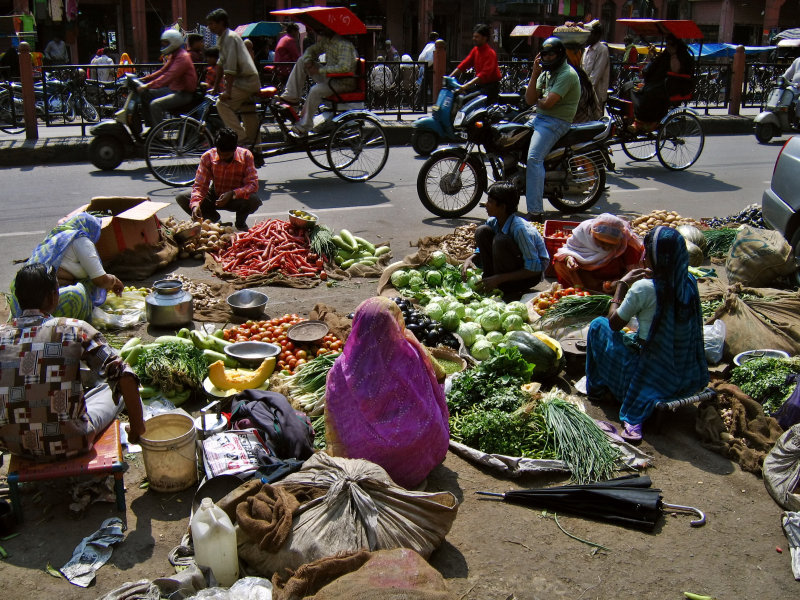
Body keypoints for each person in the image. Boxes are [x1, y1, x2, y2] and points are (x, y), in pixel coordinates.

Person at [0, 264, 146, 461]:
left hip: (15, 445)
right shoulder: (73, 330)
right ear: (54, 297)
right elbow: (124, 375)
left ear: (18, 298)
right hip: (72, 442)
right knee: (111, 390)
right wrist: (137, 428)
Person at [585, 226, 708, 442]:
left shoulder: (644, 288)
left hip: (648, 371)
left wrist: (621, 286)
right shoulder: (688, 282)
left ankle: (597, 390)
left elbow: (614, 323)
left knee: (598, 325)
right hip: (683, 369)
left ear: (652, 256)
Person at [324, 296, 449, 489]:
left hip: (374, 463)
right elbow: (441, 375)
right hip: (422, 445)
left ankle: (382, 475)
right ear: (395, 322)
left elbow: (336, 408)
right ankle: (413, 469)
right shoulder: (413, 351)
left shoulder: (345, 366)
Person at [9, 213, 124, 323]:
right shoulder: (80, 239)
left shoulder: (55, 238)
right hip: (43, 304)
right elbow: (100, 280)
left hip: (19, 305)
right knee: (80, 292)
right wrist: (113, 281)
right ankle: (65, 323)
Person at [523, 36, 580, 222]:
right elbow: (530, 99)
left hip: (556, 121)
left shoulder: (567, 74)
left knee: (534, 158)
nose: (547, 58)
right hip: (539, 117)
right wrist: (534, 72)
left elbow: (547, 103)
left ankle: (536, 211)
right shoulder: (545, 73)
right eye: (544, 55)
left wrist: (537, 102)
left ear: (560, 55)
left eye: (550, 55)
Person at [461, 182, 550, 300]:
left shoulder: (520, 230)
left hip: (529, 275)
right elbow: (482, 246)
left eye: (490, 202)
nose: (486, 205)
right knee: (482, 231)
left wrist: (499, 279)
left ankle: (506, 288)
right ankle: (490, 280)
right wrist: (470, 258)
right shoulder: (493, 221)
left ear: (502, 207)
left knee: (500, 240)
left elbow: (534, 269)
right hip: (509, 268)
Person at [277, 22, 357, 135]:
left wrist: (319, 70)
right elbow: (312, 50)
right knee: (301, 61)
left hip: (343, 82)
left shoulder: (344, 45)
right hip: (331, 78)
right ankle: (291, 97)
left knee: (315, 90)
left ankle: (305, 125)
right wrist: (308, 60)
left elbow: (344, 68)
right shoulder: (328, 42)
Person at [175, 128, 261, 232]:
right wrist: (195, 205)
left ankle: (240, 223)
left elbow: (253, 185)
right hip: (214, 195)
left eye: (227, 155)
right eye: (221, 154)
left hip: (235, 198)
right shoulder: (207, 157)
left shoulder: (246, 156)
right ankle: (214, 221)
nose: (224, 158)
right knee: (182, 197)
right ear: (217, 148)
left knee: (253, 200)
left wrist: (232, 193)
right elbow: (200, 186)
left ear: (234, 150)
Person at [206, 8, 262, 153]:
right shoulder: (222, 38)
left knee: (222, 104)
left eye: (212, 24)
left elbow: (230, 67)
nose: (210, 27)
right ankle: (256, 150)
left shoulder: (230, 38)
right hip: (245, 81)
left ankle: (241, 140)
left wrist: (227, 91)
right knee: (248, 114)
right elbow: (220, 63)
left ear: (221, 23)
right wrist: (215, 86)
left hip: (246, 82)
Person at [552, 213, 644, 293]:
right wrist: (569, 259)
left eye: (611, 244)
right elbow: (567, 251)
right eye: (602, 242)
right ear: (592, 235)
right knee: (560, 263)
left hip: (613, 282)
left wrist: (619, 283)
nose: (606, 247)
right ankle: (578, 291)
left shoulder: (626, 242)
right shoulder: (583, 234)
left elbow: (634, 271)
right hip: (585, 278)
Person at [630, 33, 694, 129]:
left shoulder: (682, 55)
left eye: (670, 44)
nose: (668, 46)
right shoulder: (665, 54)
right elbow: (652, 66)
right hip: (657, 82)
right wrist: (651, 56)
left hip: (674, 84)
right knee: (629, 87)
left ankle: (648, 121)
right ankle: (632, 118)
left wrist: (673, 54)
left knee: (649, 91)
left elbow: (676, 70)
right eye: (667, 44)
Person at [138, 29, 197, 127]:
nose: (164, 46)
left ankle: (158, 135)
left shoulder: (182, 57)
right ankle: (151, 128)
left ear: (173, 42)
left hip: (183, 94)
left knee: (155, 105)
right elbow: (162, 71)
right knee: (145, 95)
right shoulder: (174, 55)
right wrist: (145, 79)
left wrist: (147, 85)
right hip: (175, 90)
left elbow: (168, 76)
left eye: (166, 43)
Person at [449, 23, 502, 100]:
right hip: (479, 86)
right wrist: (450, 77)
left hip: (489, 89)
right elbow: (464, 64)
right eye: (473, 36)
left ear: (484, 38)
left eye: (477, 37)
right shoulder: (475, 50)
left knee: (464, 100)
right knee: (456, 94)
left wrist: (466, 85)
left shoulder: (490, 53)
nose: (474, 39)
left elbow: (484, 74)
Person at [582, 20, 610, 110]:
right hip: (585, 94)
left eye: (589, 34)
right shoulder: (586, 50)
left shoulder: (602, 50)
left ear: (596, 35)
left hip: (596, 96)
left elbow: (595, 77)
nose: (586, 37)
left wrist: (584, 92)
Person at [416, 31, 438, 105]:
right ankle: (435, 104)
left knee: (423, 87)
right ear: (436, 38)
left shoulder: (427, 45)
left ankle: (418, 103)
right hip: (431, 68)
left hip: (426, 67)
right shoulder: (434, 46)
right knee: (433, 87)